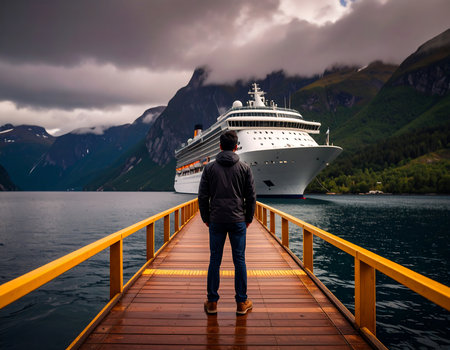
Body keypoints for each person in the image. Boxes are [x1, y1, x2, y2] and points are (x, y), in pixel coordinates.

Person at [198, 130, 256, 315]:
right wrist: (248, 218)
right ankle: (241, 303)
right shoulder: (245, 168)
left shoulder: (209, 168)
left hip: (216, 220)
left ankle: (212, 302)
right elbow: (251, 197)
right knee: (239, 260)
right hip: (238, 219)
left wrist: (206, 218)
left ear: (220, 146)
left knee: (215, 260)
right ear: (236, 147)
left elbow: (202, 196)